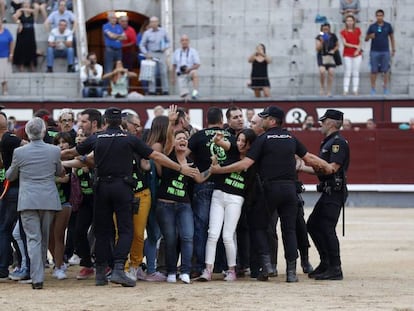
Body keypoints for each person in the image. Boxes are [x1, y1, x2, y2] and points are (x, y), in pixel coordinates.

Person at [62, 107, 198, 287]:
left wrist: (50, 154)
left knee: (102, 231)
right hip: (123, 186)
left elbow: (73, 153)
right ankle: (119, 269)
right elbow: (156, 155)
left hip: (101, 187)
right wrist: (181, 168)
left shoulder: (97, 138)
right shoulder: (130, 139)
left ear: (105, 121)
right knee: (126, 230)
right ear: (121, 122)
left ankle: (101, 273)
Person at [210, 106, 334, 283]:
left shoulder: (263, 139)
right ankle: (291, 272)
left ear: (273, 121)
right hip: (290, 190)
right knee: (289, 230)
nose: (262, 120)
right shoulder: (291, 137)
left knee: (259, 226)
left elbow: (244, 164)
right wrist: (328, 167)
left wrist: (220, 170)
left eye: (265, 118)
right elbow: (309, 159)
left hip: (270, 190)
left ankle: (267, 265)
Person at [6, 117, 64, 290]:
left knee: (33, 239)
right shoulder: (54, 150)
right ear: (44, 132)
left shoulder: (19, 152)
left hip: (28, 200)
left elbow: (10, 175)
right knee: (44, 237)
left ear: (27, 133)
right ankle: (39, 275)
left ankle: (37, 277)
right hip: (48, 199)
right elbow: (59, 171)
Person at [198, 128, 257, 282]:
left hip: (236, 198)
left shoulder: (252, 158)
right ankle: (208, 269)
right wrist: (217, 140)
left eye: (244, 141)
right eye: (238, 140)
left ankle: (232, 270)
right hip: (219, 194)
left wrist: (219, 170)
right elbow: (221, 143)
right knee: (212, 234)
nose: (240, 144)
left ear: (251, 144)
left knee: (227, 236)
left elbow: (240, 166)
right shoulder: (233, 150)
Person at [299, 109, 350, 281]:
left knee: (327, 228)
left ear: (330, 123)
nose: (320, 124)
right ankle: (326, 262)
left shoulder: (337, 143)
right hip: (328, 190)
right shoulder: (329, 142)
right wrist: (300, 167)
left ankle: (335, 267)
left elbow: (332, 168)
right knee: (313, 225)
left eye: (323, 121)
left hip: (334, 192)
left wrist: (309, 159)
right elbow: (320, 169)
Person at [49, 132, 74, 280]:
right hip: (48, 201)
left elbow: (66, 179)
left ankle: (58, 267)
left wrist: (50, 178)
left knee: (58, 235)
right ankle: (58, 261)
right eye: (58, 142)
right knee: (48, 237)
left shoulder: (72, 161)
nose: (61, 145)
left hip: (64, 201)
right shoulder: (50, 159)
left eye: (64, 142)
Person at [365, 9, 396, 95]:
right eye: (378, 16)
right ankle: (373, 88)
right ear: (376, 16)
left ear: (383, 16)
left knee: (385, 70)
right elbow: (366, 39)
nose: (379, 17)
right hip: (374, 51)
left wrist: (393, 49)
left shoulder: (388, 26)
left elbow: (392, 38)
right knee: (373, 70)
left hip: (385, 51)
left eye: (381, 15)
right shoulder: (372, 26)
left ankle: (385, 88)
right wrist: (370, 36)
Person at [139, 16, 170, 95]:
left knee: (163, 71)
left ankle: (165, 90)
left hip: (161, 53)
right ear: (150, 23)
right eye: (152, 22)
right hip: (151, 53)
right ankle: (152, 90)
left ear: (158, 22)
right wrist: (146, 53)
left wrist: (165, 47)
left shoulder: (163, 31)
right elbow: (141, 44)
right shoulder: (147, 33)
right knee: (151, 72)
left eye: (155, 22)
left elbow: (169, 41)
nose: (153, 24)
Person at [172, 34, 201, 99]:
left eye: (186, 40)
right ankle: (185, 95)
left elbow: (198, 64)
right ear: (180, 42)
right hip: (181, 75)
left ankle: (195, 93)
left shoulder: (193, 51)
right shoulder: (176, 52)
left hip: (189, 72)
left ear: (189, 41)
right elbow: (174, 65)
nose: (184, 42)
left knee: (195, 73)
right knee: (184, 96)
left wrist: (189, 69)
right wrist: (173, 78)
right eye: (182, 40)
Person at [12, 1, 37, 72]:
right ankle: (21, 65)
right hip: (22, 33)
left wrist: (22, 9)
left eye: (27, 4)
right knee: (22, 48)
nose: (26, 5)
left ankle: (32, 65)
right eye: (25, 4)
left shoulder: (31, 12)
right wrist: (19, 23)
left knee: (31, 47)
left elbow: (34, 11)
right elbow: (14, 17)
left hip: (31, 32)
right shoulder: (20, 13)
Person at [341, 15, 362, 95]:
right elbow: (345, 43)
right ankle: (345, 89)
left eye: (351, 20)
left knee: (356, 72)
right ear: (346, 22)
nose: (349, 22)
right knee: (348, 71)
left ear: (353, 22)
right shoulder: (343, 32)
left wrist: (358, 49)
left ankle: (355, 89)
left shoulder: (358, 30)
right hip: (347, 53)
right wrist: (354, 46)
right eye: (348, 21)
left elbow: (360, 41)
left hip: (357, 54)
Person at [316, 23, 339, 96]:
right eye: (324, 29)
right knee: (322, 71)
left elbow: (337, 45)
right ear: (321, 30)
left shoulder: (333, 36)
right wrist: (322, 42)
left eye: (327, 29)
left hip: (330, 56)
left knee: (331, 72)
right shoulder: (319, 36)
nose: (325, 30)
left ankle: (329, 90)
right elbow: (317, 48)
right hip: (322, 56)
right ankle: (322, 87)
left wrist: (334, 50)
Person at [103, 11, 126, 76]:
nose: (115, 19)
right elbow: (111, 36)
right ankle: (106, 85)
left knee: (120, 68)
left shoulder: (119, 26)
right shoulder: (105, 26)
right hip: (109, 49)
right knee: (108, 69)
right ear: (109, 18)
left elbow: (124, 37)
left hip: (119, 50)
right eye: (113, 18)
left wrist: (115, 36)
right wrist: (119, 36)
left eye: (115, 18)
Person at [0, 19, 14, 95]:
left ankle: (5, 92)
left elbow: (11, 42)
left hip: (5, 57)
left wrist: (11, 54)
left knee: (4, 76)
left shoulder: (6, 32)